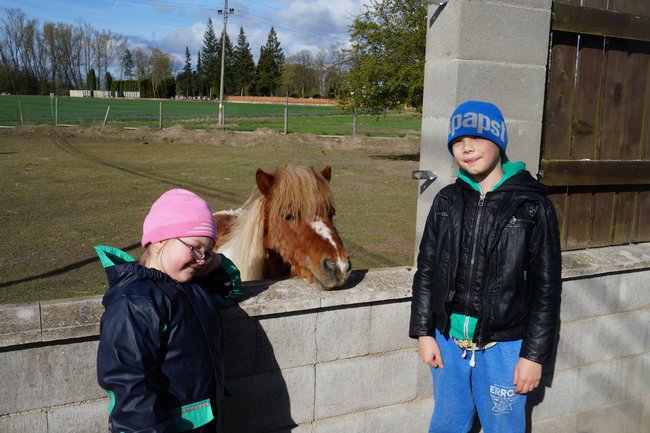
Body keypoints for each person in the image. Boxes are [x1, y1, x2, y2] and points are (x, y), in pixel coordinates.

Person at [409, 100, 562, 433]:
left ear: (499, 141)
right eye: (458, 140)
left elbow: (546, 289)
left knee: (503, 427)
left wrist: (533, 355)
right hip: (448, 344)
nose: (467, 147)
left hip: (505, 348)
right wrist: (424, 331)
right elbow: (427, 271)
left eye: (477, 137)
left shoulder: (532, 205)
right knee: (447, 423)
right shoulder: (446, 201)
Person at [95, 188, 243, 433]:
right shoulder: (136, 302)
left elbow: (232, 291)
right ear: (160, 241)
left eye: (208, 252)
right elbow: (130, 386)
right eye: (195, 248)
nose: (201, 259)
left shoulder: (194, 288)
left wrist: (215, 263)